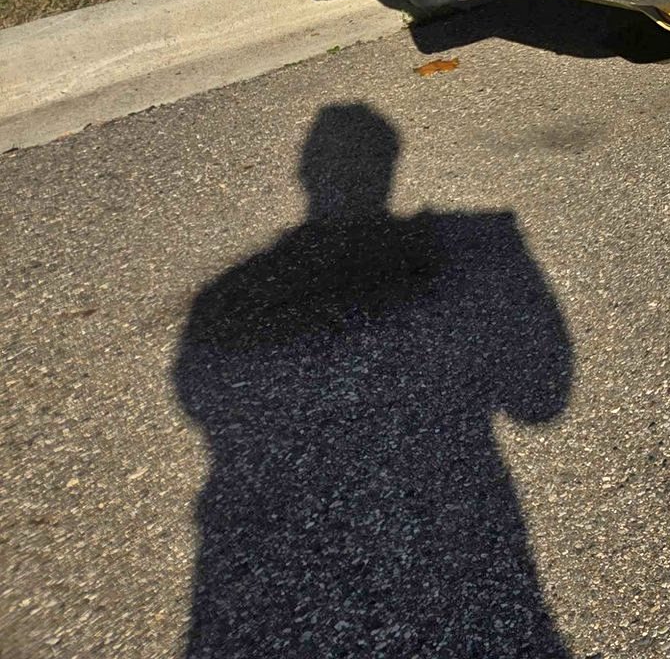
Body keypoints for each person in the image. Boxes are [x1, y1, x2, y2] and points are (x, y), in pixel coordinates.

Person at [174, 104, 574, 657]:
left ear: (304, 176)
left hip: (276, 570)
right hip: (458, 533)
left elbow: (201, 397)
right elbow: (540, 399)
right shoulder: (468, 240)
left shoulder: (226, 294)